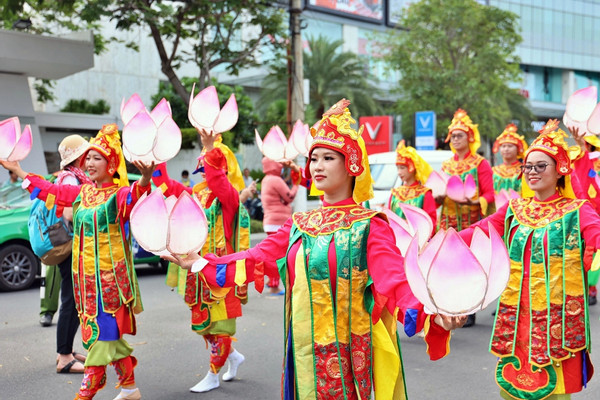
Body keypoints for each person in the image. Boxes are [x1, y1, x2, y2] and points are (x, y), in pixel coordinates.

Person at [165, 100, 466, 399]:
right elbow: (257, 257)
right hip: (303, 356)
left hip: (347, 359)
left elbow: (396, 281)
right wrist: (199, 262)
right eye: (314, 158)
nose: (317, 166)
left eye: (328, 158)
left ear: (351, 165)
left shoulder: (369, 226)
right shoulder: (300, 223)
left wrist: (434, 316)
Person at [1, 124, 155, 400]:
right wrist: (20, 172)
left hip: (110, 285)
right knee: (108, 338)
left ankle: (85, 394)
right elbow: (51, 191)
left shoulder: (118, 195)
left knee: (101, 339)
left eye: (98, 158)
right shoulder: (84, 193)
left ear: (112, 164)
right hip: (86, 283)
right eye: (88, 158)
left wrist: (144, 179)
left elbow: (135, 198)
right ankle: (130, 388)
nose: (91, 163)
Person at [458, 120, 600, 400]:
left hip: (556, 319)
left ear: (560, 170)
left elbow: (596, 233)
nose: (532, 172)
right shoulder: (515, 208)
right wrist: (440, 242)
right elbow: (480, 230)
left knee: (554, 392)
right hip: (517, 317)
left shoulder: (576, 209)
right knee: (513, 387)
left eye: (540, 166)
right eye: (528, 167)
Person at [152, 131, 255, 393]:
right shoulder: (194, 195)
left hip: (221, 271)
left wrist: (210, 147)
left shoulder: (229, 197)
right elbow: (163, 185)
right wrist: (156, 157)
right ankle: (233, 357)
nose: (207, 169)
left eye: (212, 162)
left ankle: (212, 374)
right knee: (206, 326)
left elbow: (219, 182)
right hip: (197, 271)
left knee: (220, 327)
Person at [437, 109, 494, 328]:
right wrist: (439, 197)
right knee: (449, 266)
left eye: (460, 135)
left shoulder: (480, 163)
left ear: (470, 138)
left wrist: (472, 202)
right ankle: (451, 308)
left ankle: (469, 310)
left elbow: (490, 194)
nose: (455, 139)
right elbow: (438, 192)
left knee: (469, 266)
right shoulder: (446, 166)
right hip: (448, 221)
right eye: (453, 135)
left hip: (471, 222)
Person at [47, 135, 94, 374]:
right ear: (79, 156)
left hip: (69, 245)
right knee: (71, 301)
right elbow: (68, 213)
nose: (90, 159)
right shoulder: (71, 178)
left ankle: (65, 351)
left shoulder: (70, 176)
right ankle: (64, 357)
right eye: (88, 155)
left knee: (73, 300)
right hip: (70, 246)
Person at [567, 126, 600, 306]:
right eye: (588, 146)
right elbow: (581, 169)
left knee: (595, 252)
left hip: (596, 215)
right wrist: (579, 146)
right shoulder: (584, 162)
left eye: (592, 147)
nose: (590, 149)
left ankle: (591, 287)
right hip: (583, 213)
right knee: (581, 251)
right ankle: (583, 287)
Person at [260, 157, 301, 294]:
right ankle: (274, 285)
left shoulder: (267, 179)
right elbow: (289, 196)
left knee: (273, 252)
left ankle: (271, 281)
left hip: (270, 221)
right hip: (277, 222)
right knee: (277, 255)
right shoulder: (275, 180)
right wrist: (296, 185)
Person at [389, 141, 437, 226]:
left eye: (402, 168)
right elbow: (389, 218)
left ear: (412, 168)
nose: (399, 172)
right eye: (398, 168)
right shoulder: (395, 193)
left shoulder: (424, 194)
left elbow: (431, 222)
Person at [491, 123, 528, 194]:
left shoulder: (524, 170)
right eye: (503, 146)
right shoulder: (494, 171)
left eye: (510, 146)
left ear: (518, 149)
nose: (506, 149)